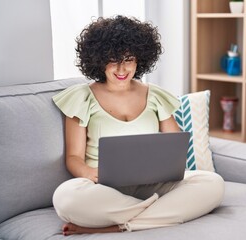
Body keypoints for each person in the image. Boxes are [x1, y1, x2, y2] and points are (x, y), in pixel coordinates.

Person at [52, 15, 225, 236]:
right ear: (98, 60)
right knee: (65, 197)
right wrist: (88, 172)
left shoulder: (154, 95)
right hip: (103, 188)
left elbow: (175, 145)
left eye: (129, 59)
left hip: (153, 183)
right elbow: (74, 158)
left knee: (212, 183)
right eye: (113, 60)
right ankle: (161, 213)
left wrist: (167, 164)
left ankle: (118, 225)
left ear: (140, 59)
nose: (122, 68)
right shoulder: (82, 97)